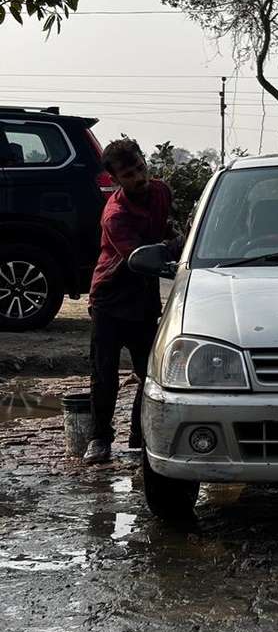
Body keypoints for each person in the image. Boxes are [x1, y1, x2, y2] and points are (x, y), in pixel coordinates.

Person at [83, 138, 179, 465]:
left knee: (150, 372)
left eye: (140, 167)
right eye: (129, 174)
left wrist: (176, 236)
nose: (139, 177)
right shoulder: (116, 214)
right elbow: (140, 257)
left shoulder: (161, 191)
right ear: (115, 180)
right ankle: (100, 438)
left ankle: (140, 434)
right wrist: (175, 250)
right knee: (104, 373)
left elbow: (164, 228)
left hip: (144, 295)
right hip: (111, 296)